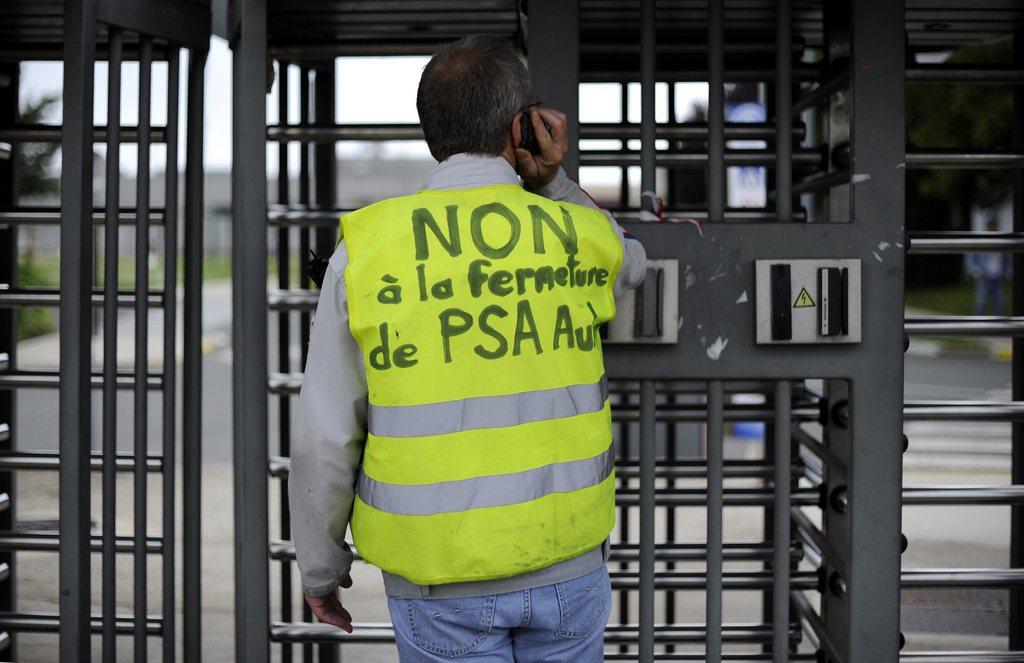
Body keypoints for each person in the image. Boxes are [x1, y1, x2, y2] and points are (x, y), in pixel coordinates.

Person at [288, 34, 647, 662]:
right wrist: (555, 182)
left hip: (437, 580)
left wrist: (320, 568)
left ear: (431, 132)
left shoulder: (366, 252)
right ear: (524, 128)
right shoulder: (577, 233)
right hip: (567, 564)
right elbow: (633, 262)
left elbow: (324, 434)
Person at [967, 218, 1010, 316]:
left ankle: (997, 327)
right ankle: (978, 325)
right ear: (987, 227)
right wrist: (975, 270)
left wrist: (1008, 271)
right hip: (984, 277)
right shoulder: (981, 240)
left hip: (998, 277)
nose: (992, 228)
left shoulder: (1001, 241)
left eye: (994, 226)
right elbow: (971, 257)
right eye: (990, 226)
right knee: (981, 303)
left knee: (999, 303)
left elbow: (1006, 258)